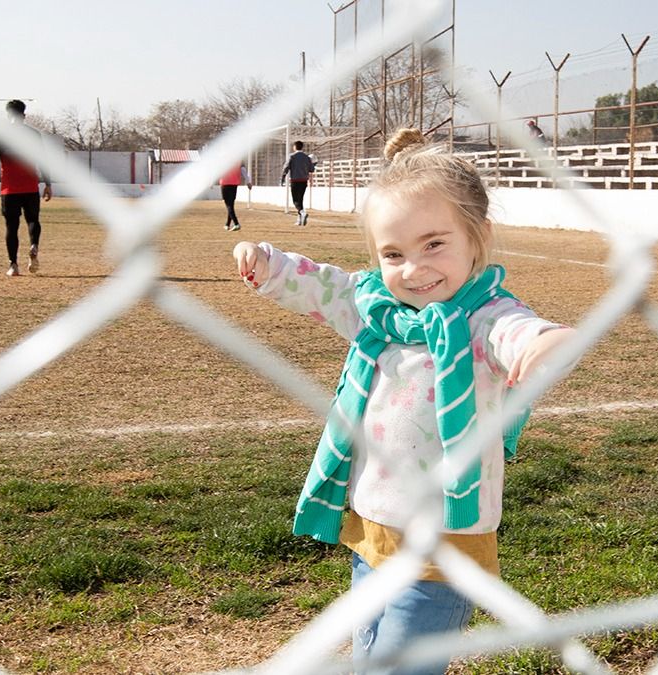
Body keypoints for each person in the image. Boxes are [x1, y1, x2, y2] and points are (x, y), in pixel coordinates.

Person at [233, 128, 575, 674]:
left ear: (478, 237)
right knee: (369, 651)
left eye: (434, 244)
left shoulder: (483, 318)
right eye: (393, 253)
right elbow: (325, 285)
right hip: (374, 529)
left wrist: (545, 340)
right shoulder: (376, 309)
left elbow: (516, 331)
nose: (413, 270)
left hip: (445, 544)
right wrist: (267, 263)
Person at [0, 99, 52, 277]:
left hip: (9, 188)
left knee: (11, 226)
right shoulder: (33, 135)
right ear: (23, 115)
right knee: (33, 220)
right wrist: (48, 184)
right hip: (30, 185)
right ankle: (34, 245)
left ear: (8, 115)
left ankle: (13, 265)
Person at [279, 140, 315, 227]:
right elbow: (312, 169)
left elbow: (286, 167)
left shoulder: (292, 156)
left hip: (295, 180)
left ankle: (303, 213)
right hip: (304, 181)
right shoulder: (307, 157)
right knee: (300, 199)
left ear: (295, 147)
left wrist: (283, 177)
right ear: (302, 147)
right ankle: (299, 220)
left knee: (295, 201)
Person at [219, 161, 253, 231]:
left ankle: (236, 223)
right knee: (231, 205)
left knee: (229, 205)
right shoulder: (238, 159)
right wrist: (248, 182)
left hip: (225, 183)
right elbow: (243, 171)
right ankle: (227, 224)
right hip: (234, 183)